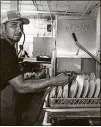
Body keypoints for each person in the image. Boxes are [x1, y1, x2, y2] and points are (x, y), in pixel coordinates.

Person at [0, 10, 76, 125]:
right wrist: (53, 81)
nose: (19, 30)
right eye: (14, 25)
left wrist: (24, 75)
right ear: (2, 27)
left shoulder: (8, 47)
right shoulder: (4, 48)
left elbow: (6, 74)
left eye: (21, 26)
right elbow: (21, 87)